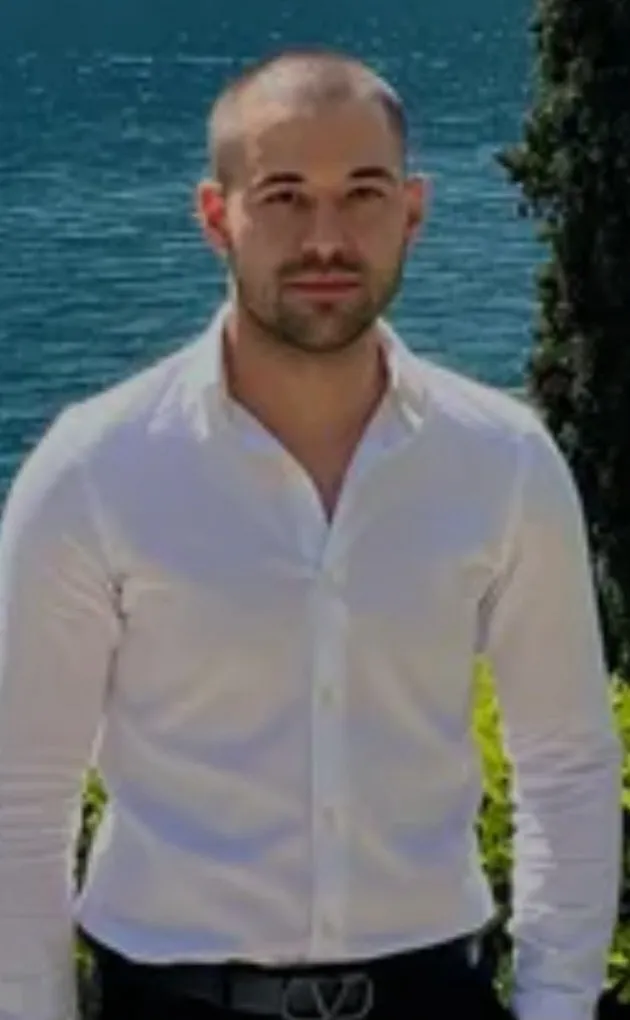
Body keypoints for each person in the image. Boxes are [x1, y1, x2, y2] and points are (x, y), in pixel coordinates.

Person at [0, 47, 622, 1020]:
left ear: (412, 211)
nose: (325, 238)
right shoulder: (95, 471)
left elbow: (566, 766)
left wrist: (558, 1007)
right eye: (284, 196)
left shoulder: (503, 463)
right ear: (218, 216)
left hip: (435, 1001)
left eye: (362, 194)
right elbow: (19, 799)